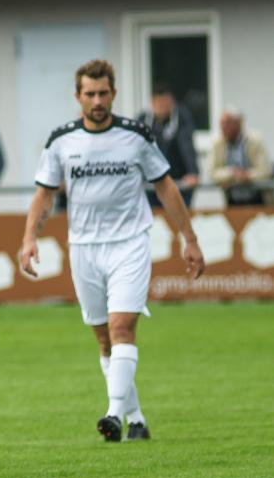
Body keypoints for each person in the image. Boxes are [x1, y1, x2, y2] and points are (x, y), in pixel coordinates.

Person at [19, 60, 205, 443]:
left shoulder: (136, 136)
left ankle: (113, 413)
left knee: (122, 328)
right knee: (104, 339)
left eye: (103, 93)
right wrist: (28, 238)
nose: (97, 100)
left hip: (130, 244)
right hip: (84, 248)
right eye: (90, 94)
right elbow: (44, 194)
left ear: (114, 94)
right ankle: (135, 418)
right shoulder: (61, 140)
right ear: (78, 97)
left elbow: (167, 187)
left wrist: (189, 238)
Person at [138, 84, 200, 208]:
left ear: (172, 102)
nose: (161, 107)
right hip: (151, 183)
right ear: (152, 102)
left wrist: (193, 172)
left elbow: (187, 145)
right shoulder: (143, 119)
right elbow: (136, 148)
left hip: (178, 181)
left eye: (165, 103)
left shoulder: (182, 118)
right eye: (158, 103)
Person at [208, 108, 273, 206]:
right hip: (232, 202)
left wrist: (248, 176)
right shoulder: (217, 143)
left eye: (227, 124)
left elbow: (265, 170)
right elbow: (212, 172)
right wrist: (232, 173)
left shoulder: (255, 140)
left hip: (259, 200)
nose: (223, 128)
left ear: (238, 124)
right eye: (221, 125)